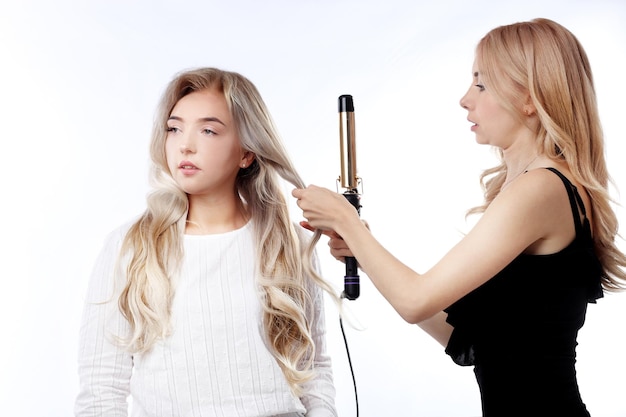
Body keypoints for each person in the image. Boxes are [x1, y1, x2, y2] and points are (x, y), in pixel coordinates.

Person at [292, 18, 626, 417]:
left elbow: (415, 300)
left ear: (530, 99)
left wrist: (346, 221)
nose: (465, 99)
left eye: (481, 84)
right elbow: (467, 337)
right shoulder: (535, 186)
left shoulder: (542, 188)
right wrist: (364, 253)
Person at [75, 67, 339, 417]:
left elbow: (314, 370)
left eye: (209, 130)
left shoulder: (286, 243)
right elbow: (101, 387)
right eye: (174, 128)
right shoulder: (130, 246)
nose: (185, 144)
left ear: (247, 152)